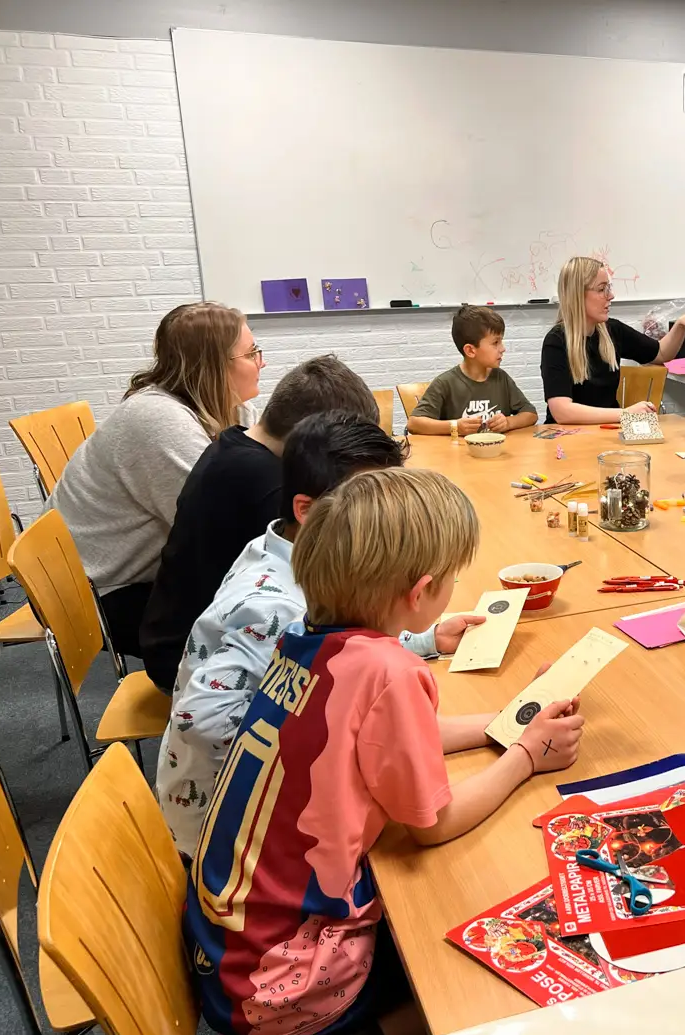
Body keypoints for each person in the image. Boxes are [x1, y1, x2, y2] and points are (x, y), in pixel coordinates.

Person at [186, 466, 585, 1035]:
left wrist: (510, 720)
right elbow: (433, 824)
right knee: (487, 993)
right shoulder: (390, 671)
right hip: (284, 986)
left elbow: (396, 738)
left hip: (227, 949)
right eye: (452, 577)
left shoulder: (307, 639)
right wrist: (526, 755)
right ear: (421, 593)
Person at [155, 411, 470, 856]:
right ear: (309, 510)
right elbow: (201, 720)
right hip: (227, 833)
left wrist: (424, 640)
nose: (386, 521)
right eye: (367, 504)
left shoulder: (278, 550)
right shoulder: (278, 607)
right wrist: (319, 760)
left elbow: (328, 649)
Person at [139, 355, 378, 692]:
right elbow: (328, 589)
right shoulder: (270, 486)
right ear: (310, 438)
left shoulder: (234, 443)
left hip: (183, 639)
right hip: (201, 666)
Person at [48, 302, 263, 655]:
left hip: (135, 575)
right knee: (264, 620)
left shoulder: (228, 406)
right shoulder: (159, 421)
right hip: (102, 594)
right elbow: (224, 528)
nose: (261, 362)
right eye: (251, 353)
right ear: (214, 366)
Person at [541, 256, 685, 424]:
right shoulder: (556, 342)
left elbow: (661, 353)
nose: (611, 295)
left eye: (609, 288)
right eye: (601, 289)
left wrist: (680, 326)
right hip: (567, 437)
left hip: (606, 431)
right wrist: (625, 413)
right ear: (577, 295)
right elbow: (562, 412)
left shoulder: (612, 330)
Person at [407, 305, 538, 436]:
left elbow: (530, 414)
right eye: (495, 343)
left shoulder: (501, 378)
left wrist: (508, 422)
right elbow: (414, 424)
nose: (503, 348)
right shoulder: (445, 383)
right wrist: (454, 427)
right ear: (470, 350)